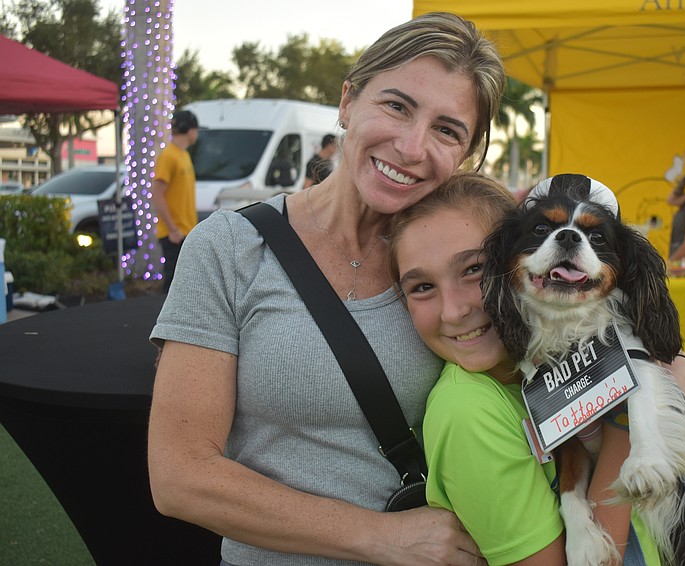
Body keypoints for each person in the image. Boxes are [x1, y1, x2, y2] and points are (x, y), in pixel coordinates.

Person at [147, 12, 506, 565]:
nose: (412, 147)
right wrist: (381, 537)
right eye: (397, 106)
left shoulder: (476, 258)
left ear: (466, 153)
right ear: (347, 102)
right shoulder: (230, 249)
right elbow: (180, 475)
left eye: (446, 129)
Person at [389, 172, 685, 566]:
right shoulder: (467, 413)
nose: (455, 310)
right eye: (422, 287)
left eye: (473, 269)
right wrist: (642, 408)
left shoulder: (536, 365)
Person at [150, 109, 200, 293]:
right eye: (196, 129)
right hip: (174, 234)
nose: (197, 134)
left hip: (186, 231)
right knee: (172, 286)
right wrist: (172, 228)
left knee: (184, 286)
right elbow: (156, 193)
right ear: (190, 130)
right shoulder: (168, 156)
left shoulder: (183, 155)